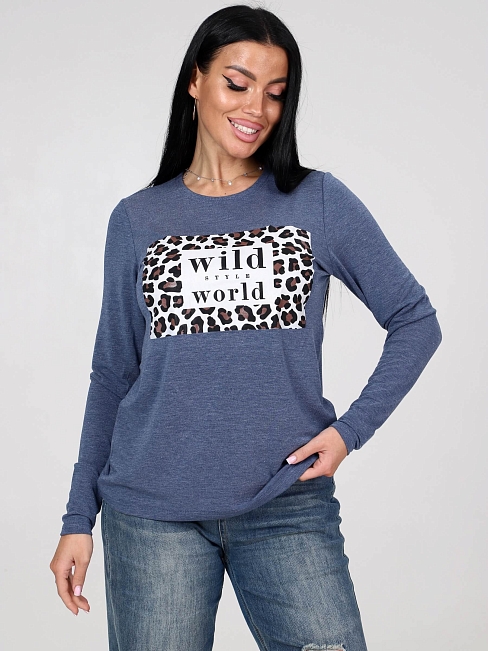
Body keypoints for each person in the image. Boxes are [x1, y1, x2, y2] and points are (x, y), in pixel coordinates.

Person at [49, 5, 442, 650]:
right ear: (195, 81)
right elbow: (113, 374)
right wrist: (76, 518)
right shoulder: (138, 220)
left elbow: (415, 320)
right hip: (151, 514)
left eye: (276, 93)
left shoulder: (316, 200)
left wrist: (350, 432)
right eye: (238, 83)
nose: (256, 108)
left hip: (286, 503)